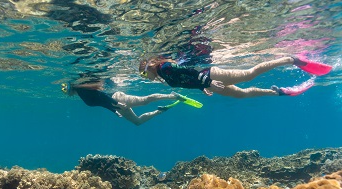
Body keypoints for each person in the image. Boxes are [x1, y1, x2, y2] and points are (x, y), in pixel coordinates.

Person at [139, 56, 332, 98]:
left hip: (212, 75)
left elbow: (189, 71)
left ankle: (290, 59)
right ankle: (279, 92)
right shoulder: (164, 73)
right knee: (242, 95)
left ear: (149, 66)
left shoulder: (164, 68)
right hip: (209, 83)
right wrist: (202, 87)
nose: (144, 77)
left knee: (249, 75)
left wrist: (207, 82)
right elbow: (187, 79)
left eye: (143, 73)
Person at [61, 80, 189, 126]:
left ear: (69, 89)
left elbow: (101, 96)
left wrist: (116, 104)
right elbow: (101, 101)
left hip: (117, 99)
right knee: (137, 122)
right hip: (116, 104)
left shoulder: (82, 91)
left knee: (144, 101)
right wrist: (114, 110)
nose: (68, 94)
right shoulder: (81, 92)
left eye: (66, 91)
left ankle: (172, 96)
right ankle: (160, 110)